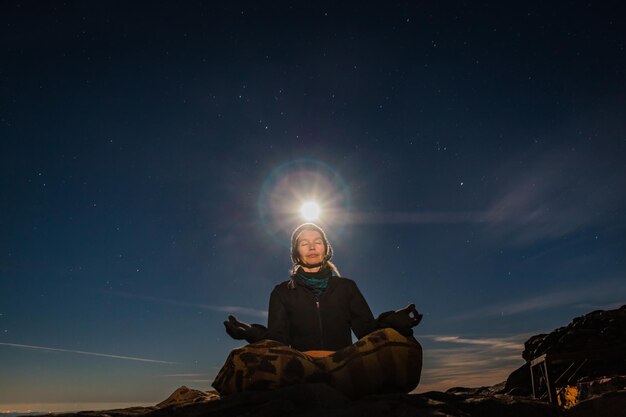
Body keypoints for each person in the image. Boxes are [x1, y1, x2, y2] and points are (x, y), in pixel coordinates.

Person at [212, 223, 423, 398]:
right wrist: (251, 333)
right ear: (296, 252)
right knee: (242, 357)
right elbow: (278, 340)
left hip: (345, 364)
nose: (312, 247)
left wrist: (391, 321)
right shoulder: (281, 292)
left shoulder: (346, 287)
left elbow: (366, 329)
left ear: (326, 249)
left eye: (317, 242)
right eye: (304, 243)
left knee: (398, 341)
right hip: (301, 367)